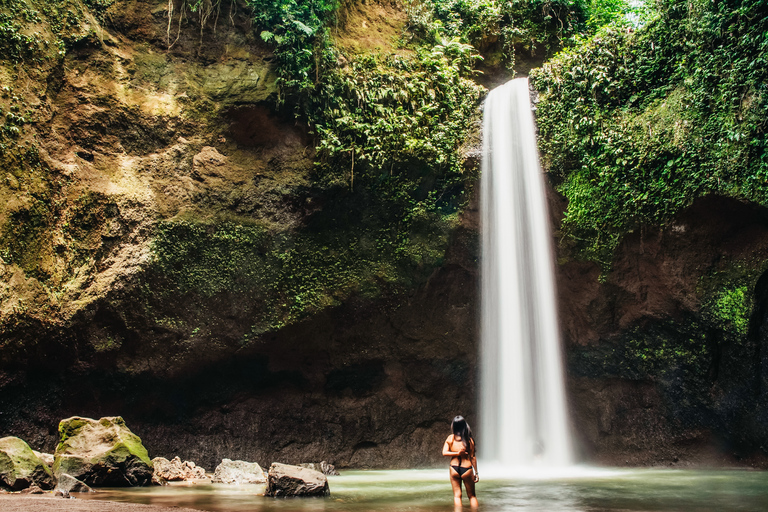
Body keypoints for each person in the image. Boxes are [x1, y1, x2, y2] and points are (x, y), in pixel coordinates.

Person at [442, 415, 479, 508]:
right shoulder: (469, 440)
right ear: (464, 426)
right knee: (472, 496)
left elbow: (444, 452)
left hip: (454, 468)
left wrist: (456, 453)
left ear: (453, 426)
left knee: (457, 496)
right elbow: (473, 457)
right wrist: (476, 473)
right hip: (466, 468)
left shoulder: (450, 438)